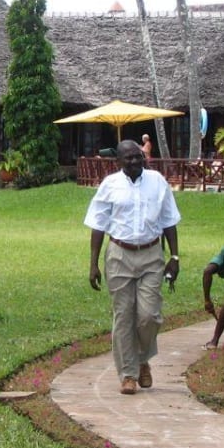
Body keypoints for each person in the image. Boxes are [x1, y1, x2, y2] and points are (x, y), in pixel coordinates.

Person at [86, 139, 181, 395]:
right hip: (119, 255)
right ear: (118, 162)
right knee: (124, 316)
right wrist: (93, 264)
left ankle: (142, 359)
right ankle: (128, 374)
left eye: (138, 157)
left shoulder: (157, 181)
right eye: (128, 158)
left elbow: (169, 221)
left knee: (149, 316)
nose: (135, 162)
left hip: (151, 254)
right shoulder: (110, 185)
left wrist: (175, 257)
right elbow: (98, 225)